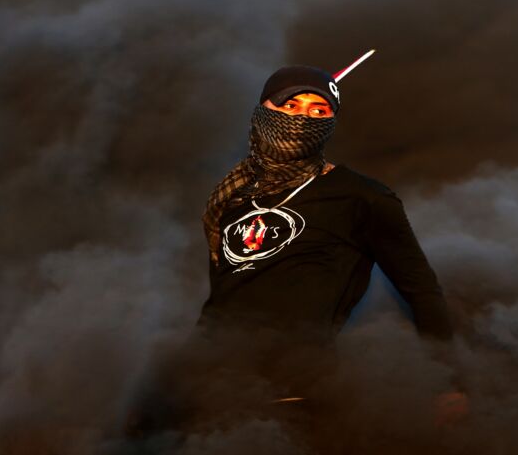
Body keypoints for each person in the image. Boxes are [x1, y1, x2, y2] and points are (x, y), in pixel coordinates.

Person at [125, 64, 463, 444]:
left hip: (295, 389)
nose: (303, 117)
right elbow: (225, 304)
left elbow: (421, 291)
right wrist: (162, 388)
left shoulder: (362, 197)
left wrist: (449, 384)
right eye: (291, 105)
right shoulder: (232, 196)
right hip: (208, 383)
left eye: (318, 111)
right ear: (263, 110)